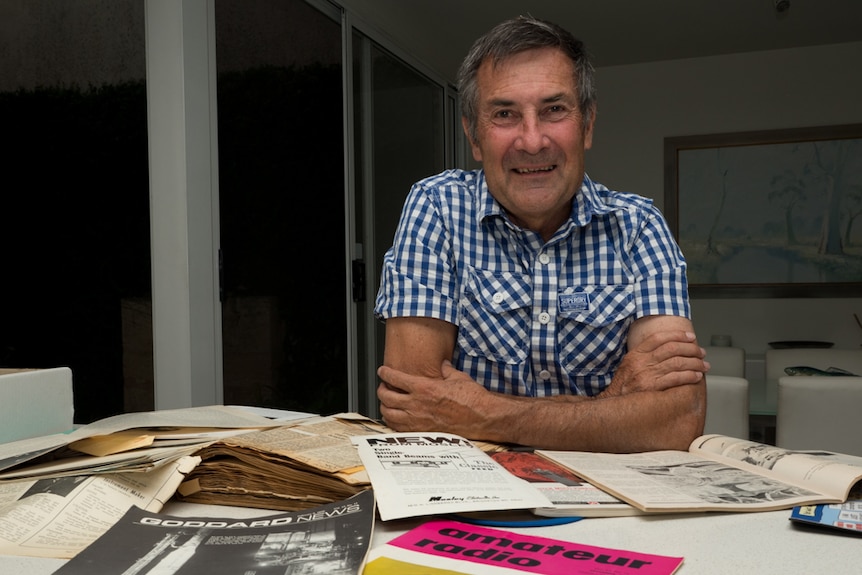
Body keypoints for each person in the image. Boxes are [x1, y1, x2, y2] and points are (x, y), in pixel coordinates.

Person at [373, 15, 709, 453]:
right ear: (474, 136)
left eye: (554, 110)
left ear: (586, 125)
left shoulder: (640, 226)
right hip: (474, 503)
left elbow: (678, 420)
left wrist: (485, 412)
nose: (532, 141)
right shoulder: (436, 207)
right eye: (505, 114)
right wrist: (612, 404)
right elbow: (415, 413)